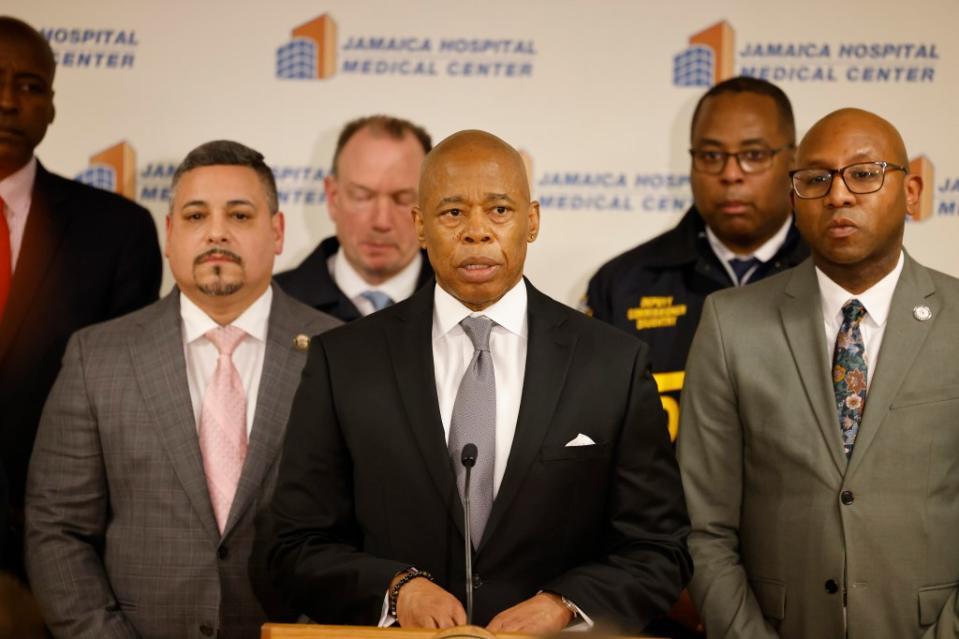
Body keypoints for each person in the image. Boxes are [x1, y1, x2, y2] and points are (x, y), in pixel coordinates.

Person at [266, 130, 691, 634]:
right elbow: (294, 546)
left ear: (531, 221)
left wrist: (565, 604)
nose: (476, 232)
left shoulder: (610, 363)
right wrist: (396, 590)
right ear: (420, 227)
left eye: (499, 210)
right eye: (452, 214)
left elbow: (660, 548)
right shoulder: (345, 360)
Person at [25, 140, 340, 638]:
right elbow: (57, 530)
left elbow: (364, 528)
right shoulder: (97, 356)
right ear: (170, 234)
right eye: (195, 217)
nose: (216, 233)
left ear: (277, 232)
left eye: (239, 216)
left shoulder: (341, 351)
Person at [677, 108, 959, 638]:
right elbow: (705, 528)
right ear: (793, 199)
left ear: (914, 192)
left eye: (864, 173)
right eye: (816, 179)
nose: (838, 195)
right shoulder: (729, 324)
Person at [0, 16, 161, 580]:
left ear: (51, 105)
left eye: (29, 86)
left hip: (58, 554)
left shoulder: (116, 231)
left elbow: (125, 409)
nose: (7, 101)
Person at [584, 77, 808, 440]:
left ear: (794, 161)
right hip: (671, 498)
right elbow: (595, 436)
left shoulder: (831, 275)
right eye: (711, 156)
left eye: (753, 155)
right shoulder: (624, 283)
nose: (730, 174)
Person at [275, 115, 434, 320]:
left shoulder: (467, 303)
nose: (381, 222)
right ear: (333, 198)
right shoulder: (273, 304)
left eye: (402, 199)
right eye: (362, 197)